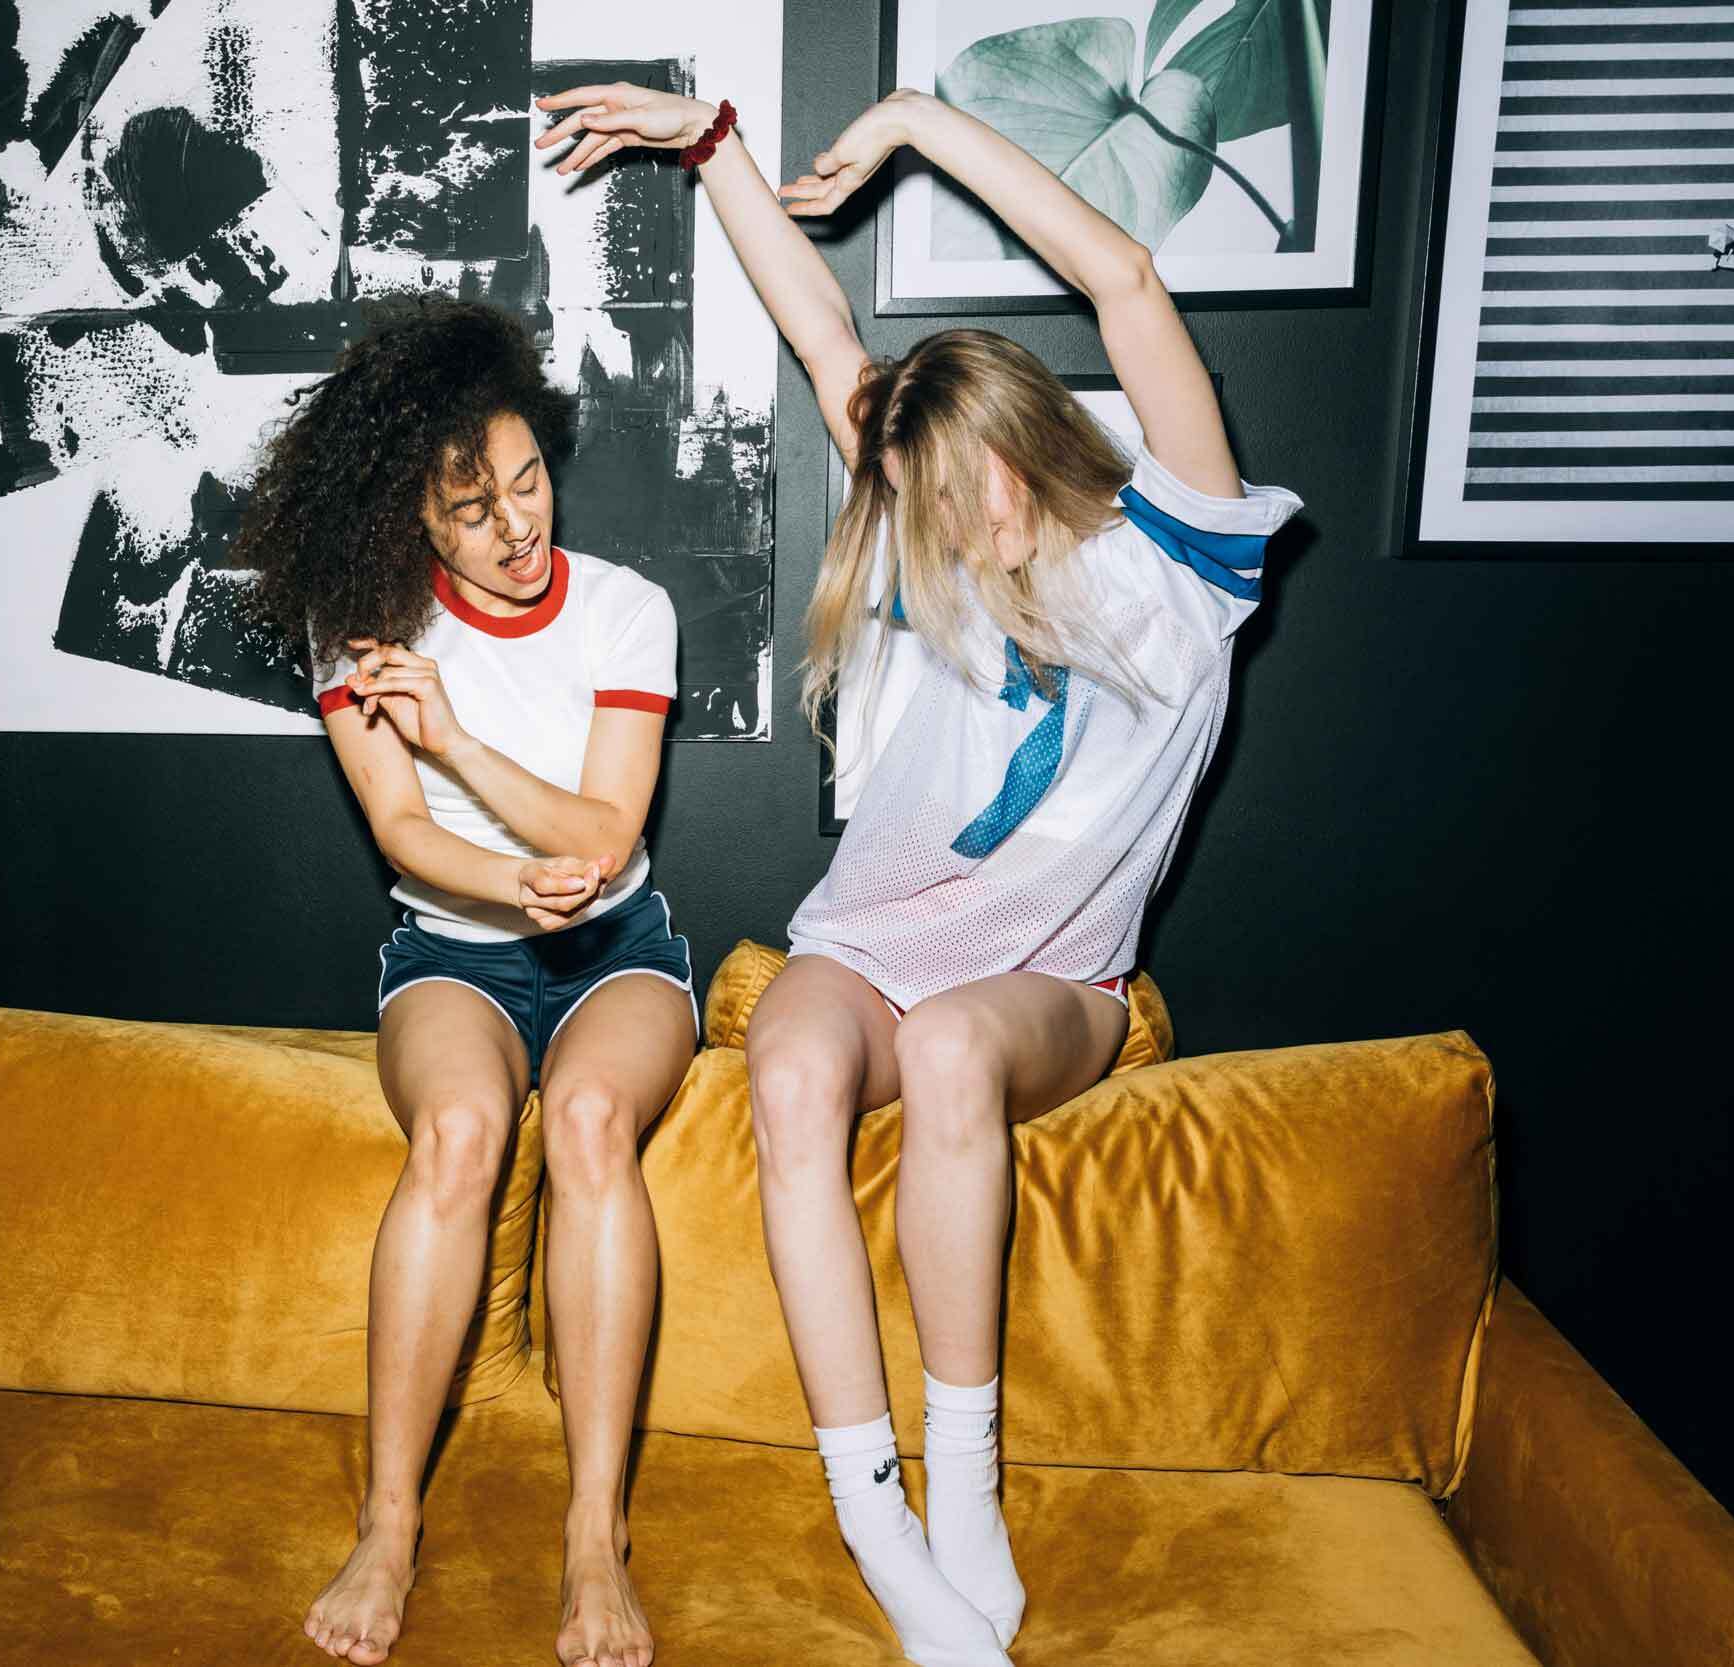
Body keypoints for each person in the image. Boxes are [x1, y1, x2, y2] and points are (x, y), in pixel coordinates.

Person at [535, 82, 1301, 1667]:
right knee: (795, 1064)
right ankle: (869, 1503)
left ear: (1033, 443)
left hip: (1048, 993)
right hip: (864, 956)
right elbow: (824, 338)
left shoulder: (1182, 560)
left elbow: (1129, 287)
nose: (961, 529)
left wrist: (913, 123)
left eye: (978, 490)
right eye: (925, 503)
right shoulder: (916, 531)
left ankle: (965, 1484)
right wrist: (714, 145)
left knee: (955, 1047)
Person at [235, 297, 696, 1667]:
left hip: (620, 954)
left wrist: (461, 746)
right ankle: (389, 1524)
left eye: (528, 480)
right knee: (460, 1130)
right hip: (449, 950)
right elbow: (403, 837)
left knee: (592, 1124)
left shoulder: (627, 609)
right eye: (472, 506)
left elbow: (603, 840)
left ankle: (593, 1536)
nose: (515, 525)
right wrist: (505, 880)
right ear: (414, 520)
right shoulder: (357, 622)